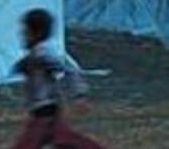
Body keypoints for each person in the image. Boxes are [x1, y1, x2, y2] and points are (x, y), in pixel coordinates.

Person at [10, 9, 107, 149]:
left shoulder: (43, 56)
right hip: (43, 115)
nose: (22, 35)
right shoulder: (34, 56)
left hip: (46, 115)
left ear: (35, 33)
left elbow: (69, 71)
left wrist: (79, 95)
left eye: (25, 31)